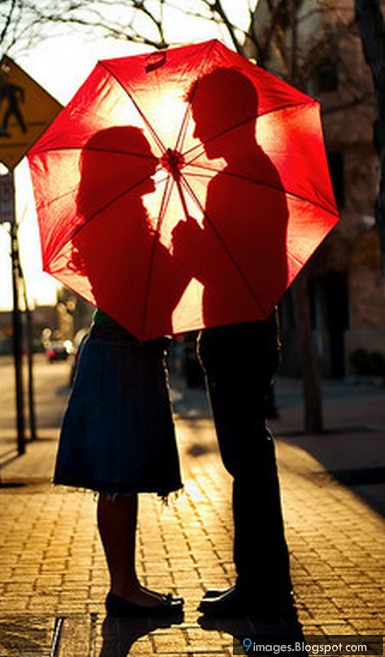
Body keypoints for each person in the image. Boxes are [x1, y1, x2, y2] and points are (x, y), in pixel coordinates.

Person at [53, 126, 186, 619]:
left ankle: (126, 585)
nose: (153, 165)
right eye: (144, 159)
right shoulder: (117, 224)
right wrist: (180, 259)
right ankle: (124, 588)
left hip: (126, 353)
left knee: (122, 475)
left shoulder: (125, 218)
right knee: (116, 475)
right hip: (120, 353)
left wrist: (175, 253)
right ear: (125, 169)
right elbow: (142, 302)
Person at [178, 69, 294, 621]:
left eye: (202, 116)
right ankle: (264, 580)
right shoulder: (254, 173)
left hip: (236, 337)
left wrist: (188, 244)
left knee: (247, 463)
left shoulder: (235, 181)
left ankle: (262, 586)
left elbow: (229, 269)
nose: (198, 127)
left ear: (228, 117)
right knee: (251, 460)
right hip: (250, 333)